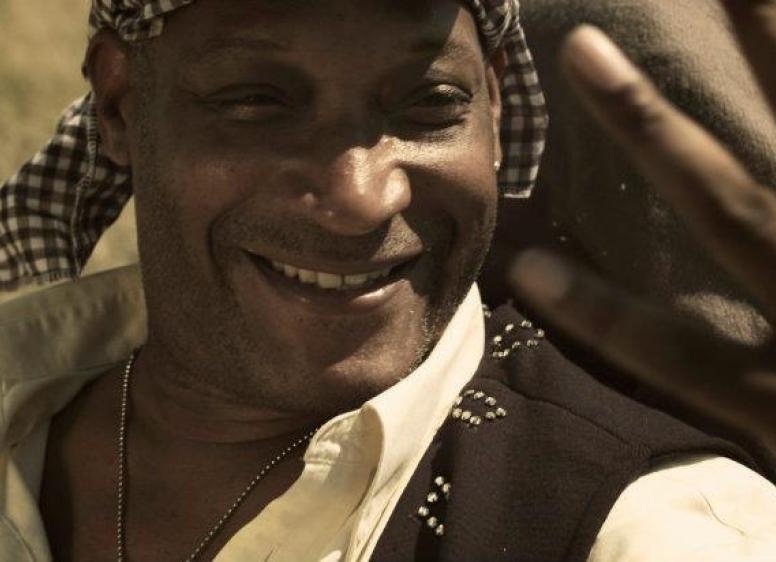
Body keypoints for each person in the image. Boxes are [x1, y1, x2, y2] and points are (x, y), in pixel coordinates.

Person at [0, 1, 774, 562]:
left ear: (495, 102)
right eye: (257, 102)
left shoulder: (650, 530)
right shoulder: (24, 414)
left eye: (430, 104)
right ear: (121, 106)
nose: (360, 200)